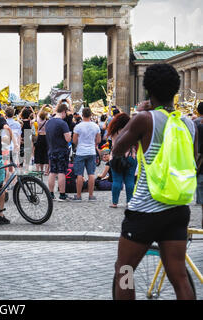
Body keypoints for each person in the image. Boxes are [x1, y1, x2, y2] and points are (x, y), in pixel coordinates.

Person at [113, 63, 197, 300]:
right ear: (175, 89)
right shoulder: (187, 123)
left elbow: (118, 148)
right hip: (177, 208)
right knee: (179, 276)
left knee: (124, 270)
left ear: (148, 89)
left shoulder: (145, 119)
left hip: (145, 211)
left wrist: (139, 113)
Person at [107, 113, 137, 208]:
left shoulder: (113, 131)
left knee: (116, 180)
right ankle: (129, 202)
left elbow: (112, 144)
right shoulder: (132, 130)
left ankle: (114, 202)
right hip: (130, 155)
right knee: (130, 180)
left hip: (116, 156)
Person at [71, 107, 101, 202]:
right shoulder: (95, 126)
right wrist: (93, 143)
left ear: (82, 115)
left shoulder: (78, 126)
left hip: (80, 152)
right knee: (91, 174)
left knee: (79, 174)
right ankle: (91, 195)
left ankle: (79, 196)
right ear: (91, 115)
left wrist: (79, 144)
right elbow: (99, 140)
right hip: (91, 151)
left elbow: (74, 140)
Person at [46, 102, 72, 201]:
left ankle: (51, 194)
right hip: (61, 150)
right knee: (61, 172)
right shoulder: (62, 123)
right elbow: (68, 139)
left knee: (52, 172)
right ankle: (62, 194)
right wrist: (70, 134)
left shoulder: (49, 122)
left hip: (52, 150)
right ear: (64, 111)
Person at [33, 106, 49, 175]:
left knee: (38, 153)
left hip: (39, 137)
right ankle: (45, 171)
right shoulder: (48, 121)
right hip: (46, 137)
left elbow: (38, 114)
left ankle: (37, 170)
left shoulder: (38, 121)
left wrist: (42, 107)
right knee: (46, 153)